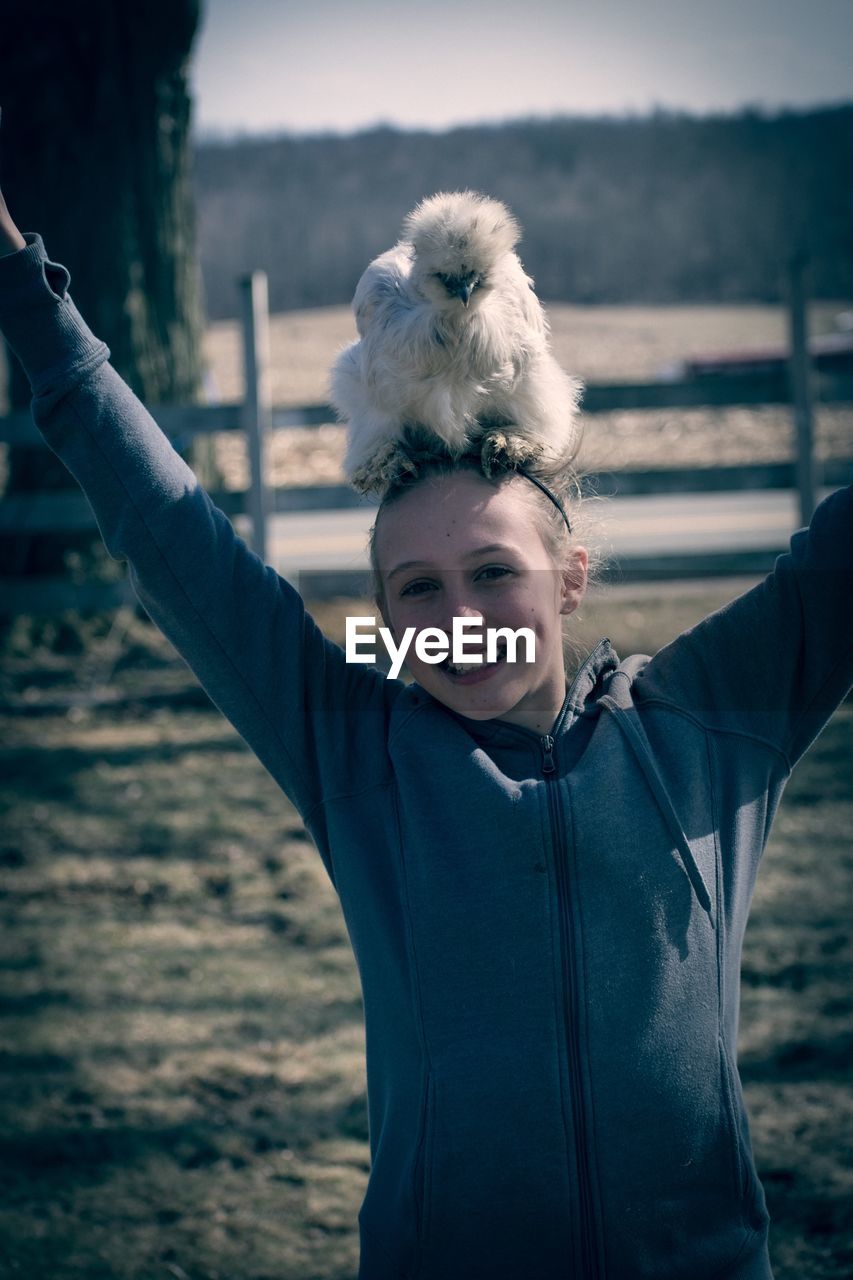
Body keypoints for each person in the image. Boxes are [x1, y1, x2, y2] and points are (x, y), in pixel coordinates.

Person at [1, 181, 850, 1280]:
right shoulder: (357, 750)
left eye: (495, 573)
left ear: (570, 578)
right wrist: (23, 284)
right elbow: (162, 522)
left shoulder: (702, 722)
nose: (459, 619)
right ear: (385, 616)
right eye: (416, 590)